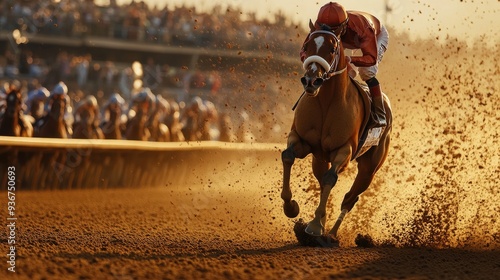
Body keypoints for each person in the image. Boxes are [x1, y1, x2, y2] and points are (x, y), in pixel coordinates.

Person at [300, 2, 389, 128]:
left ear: (343, 26)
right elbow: (304, 51)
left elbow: (371, 58)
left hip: (375, 36)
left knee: (366, 72)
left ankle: (380, 114)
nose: (329, 32)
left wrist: (350, 59)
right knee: (343, 72)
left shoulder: (362, 28)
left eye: (333, 29)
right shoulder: (319, 26)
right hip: (346, 41)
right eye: (325, 28)